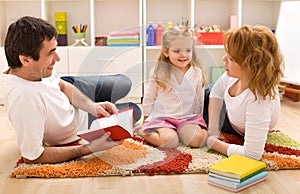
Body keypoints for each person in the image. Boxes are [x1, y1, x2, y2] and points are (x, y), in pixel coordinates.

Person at [0, 16, 138, 164]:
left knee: (123, 82)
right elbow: (32, 156)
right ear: (25, 59)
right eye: (50, 53)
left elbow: (62, 86)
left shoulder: (35, 70)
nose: (58, 58)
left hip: (67, 89)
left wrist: (93, 107)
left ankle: (97, 103)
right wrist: (88, 149)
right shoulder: (24, 99)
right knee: (135, 110)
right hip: (81, 125)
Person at [206, 25, 284, 160]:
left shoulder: (259, 99)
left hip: (233, 122)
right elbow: (216, 92)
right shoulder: (234, 75)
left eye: (231, 59)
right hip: (225, 110)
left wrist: (213, 143)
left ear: (250, 66)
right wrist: (212, 131)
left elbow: (252, 154)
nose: (223, 59)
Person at [139, 25, 208, 148]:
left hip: (187, 118)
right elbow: (149, 99)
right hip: (163, 118)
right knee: (170, 142)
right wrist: (146, 119)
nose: (183, 55)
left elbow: (199, 100)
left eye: (188, 50)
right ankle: (142, 132)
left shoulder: (197, 73)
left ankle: (181, 133)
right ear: (166, 51)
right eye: (177, 51)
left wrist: (199, 121)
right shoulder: (158, 72)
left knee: (198, 141)